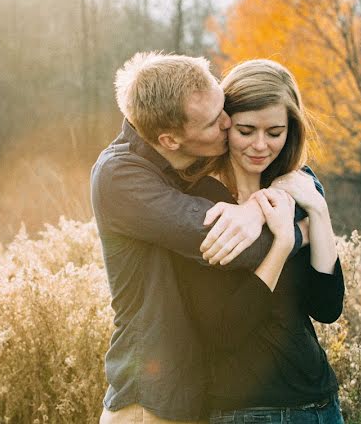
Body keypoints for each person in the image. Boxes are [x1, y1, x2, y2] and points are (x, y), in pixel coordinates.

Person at [91, 52, 315, 423]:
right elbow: (242, 247)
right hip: (150, 404)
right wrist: (301, 230)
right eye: (214, 122)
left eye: (223, 108)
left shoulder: (192, 159)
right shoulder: (122, 177)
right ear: (171, 139)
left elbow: (294, 177)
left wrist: (255, 208)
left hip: (196, 397)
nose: (229, 124)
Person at [177, 59, 344, 423]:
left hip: (321, 406)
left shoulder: (298, 190)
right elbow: (224, 331)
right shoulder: (200, 202)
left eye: (274, 132)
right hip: (245, 411)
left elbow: (327, 307)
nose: (260, 145)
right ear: (224, 126)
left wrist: (318, 211)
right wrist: (282, 245)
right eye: (246, 130)